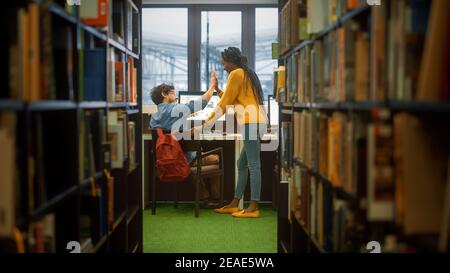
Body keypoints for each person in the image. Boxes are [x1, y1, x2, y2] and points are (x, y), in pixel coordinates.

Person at [201, 47, 267, 218]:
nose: (223, 67)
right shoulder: (245, 74)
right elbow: (232, 98)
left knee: (253, 164)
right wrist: (217, 89)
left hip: (250, 122)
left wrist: (206, 123)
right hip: (257, 121)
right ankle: (234, 203)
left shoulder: (236, 74)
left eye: (224, 63)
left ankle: (253, 207)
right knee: (242, 163)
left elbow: (224, 105)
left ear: (231, 62)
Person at [150, 76, 221, 207]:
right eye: (172, 92)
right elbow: (200, 104)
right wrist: (212, 87)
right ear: (164, 94)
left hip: (164, 161)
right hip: (182, 159)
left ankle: (204, 196)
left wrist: (188, 126)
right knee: (214, 158)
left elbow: (170, 133)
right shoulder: (174, 110)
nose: (175, 95)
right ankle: (214, 198)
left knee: (195, 156)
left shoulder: (154, 118)